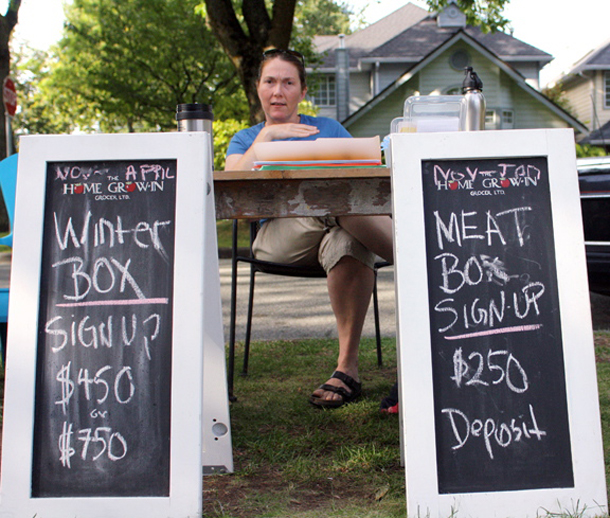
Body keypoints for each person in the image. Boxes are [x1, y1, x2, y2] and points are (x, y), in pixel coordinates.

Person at [225, 48, 394, 409]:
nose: (278, 91)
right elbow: (232, 197)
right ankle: (426, 262)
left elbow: (365, 178)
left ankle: (346, 370)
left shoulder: (329, 129)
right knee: (339, 202)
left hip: (334, 233)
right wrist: (267, 139)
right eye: (270, 81)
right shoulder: (244, 140)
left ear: (302, 92)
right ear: (258, 88)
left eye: (288, 82)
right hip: (277, 239)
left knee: (349, 238)